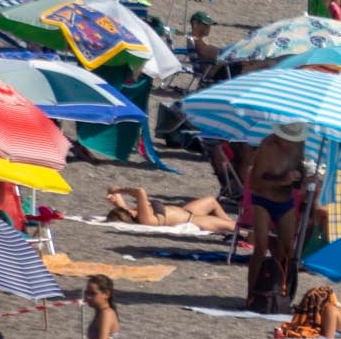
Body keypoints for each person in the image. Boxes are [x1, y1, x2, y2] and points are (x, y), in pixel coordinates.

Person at [244, 123, 311, 308]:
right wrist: (283, 180)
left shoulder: (299, 147)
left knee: (289, 250)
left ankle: (283, 293)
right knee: (260, 248)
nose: (291, 144)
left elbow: (297, 177)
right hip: (262, 199)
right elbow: (255, 184)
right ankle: (251, 294)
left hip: (285, 201)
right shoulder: (267, 147)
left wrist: (304, 180)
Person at [103, 185, 238, 233]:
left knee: (211, 201)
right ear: (128, 215)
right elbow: (140, 192)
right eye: (127, 209)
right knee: (234, 226)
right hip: (193, 220)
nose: (129, 208)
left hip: (186, 211)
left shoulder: (132, 212)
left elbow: (111, 190)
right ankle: (238, 233)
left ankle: (230, 229)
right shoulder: (145, 218)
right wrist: (120, 190)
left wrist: (114, 194)